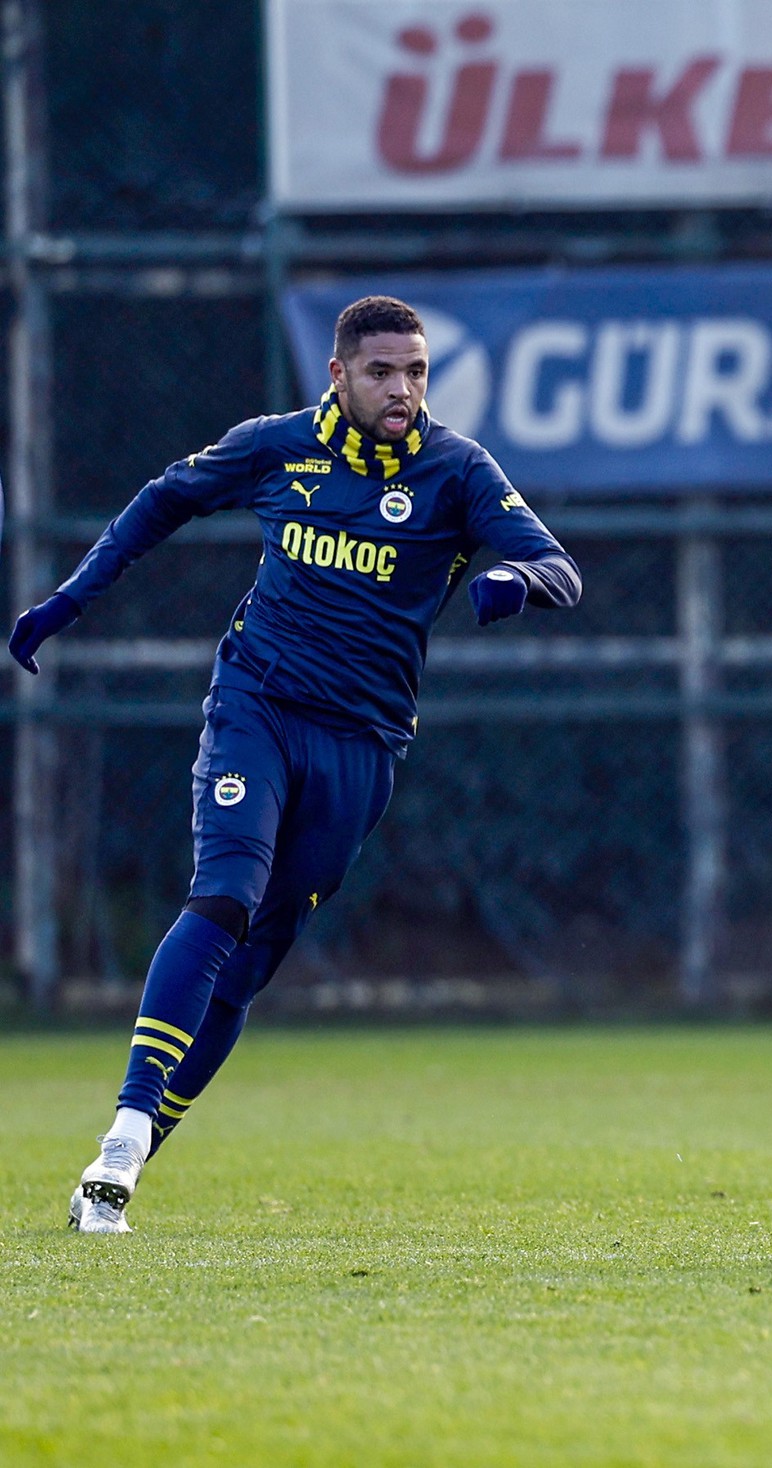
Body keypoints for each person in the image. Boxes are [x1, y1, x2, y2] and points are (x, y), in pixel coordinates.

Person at [11, 295, 581, 1234]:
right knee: (224, 895)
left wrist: (515, 581)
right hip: (258, 707)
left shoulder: (456, 470)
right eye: (382, 373)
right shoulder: (277, 446)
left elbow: (559, 565)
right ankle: (120, 1130)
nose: (403, 391)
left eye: (417, 373)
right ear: (339, 376)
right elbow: (165, 500)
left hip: (362, 748)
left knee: (252, 963)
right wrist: (72, 598)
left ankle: (134, 1155)